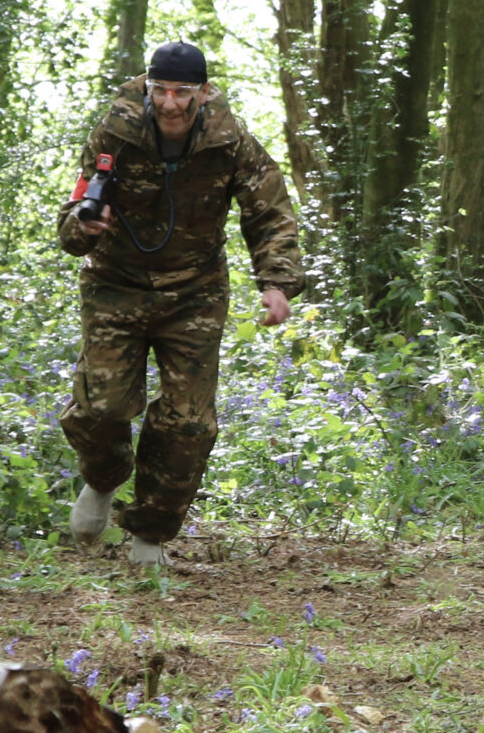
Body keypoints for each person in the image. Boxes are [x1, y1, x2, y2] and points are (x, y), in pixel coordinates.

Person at [59, 41, 305, 567]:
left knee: (189, 423)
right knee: (100, 409)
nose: (171, 103)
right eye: (161, 90)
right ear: (148, 88)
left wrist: (276, 281)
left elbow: (269, 209)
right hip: (116, 284)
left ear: (203, 91)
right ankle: (103, 479)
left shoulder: (230, 140)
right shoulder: (115, 133)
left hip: (194, 292)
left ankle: (149, 534)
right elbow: (76, 209)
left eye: (182, 92)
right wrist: (83, 224)